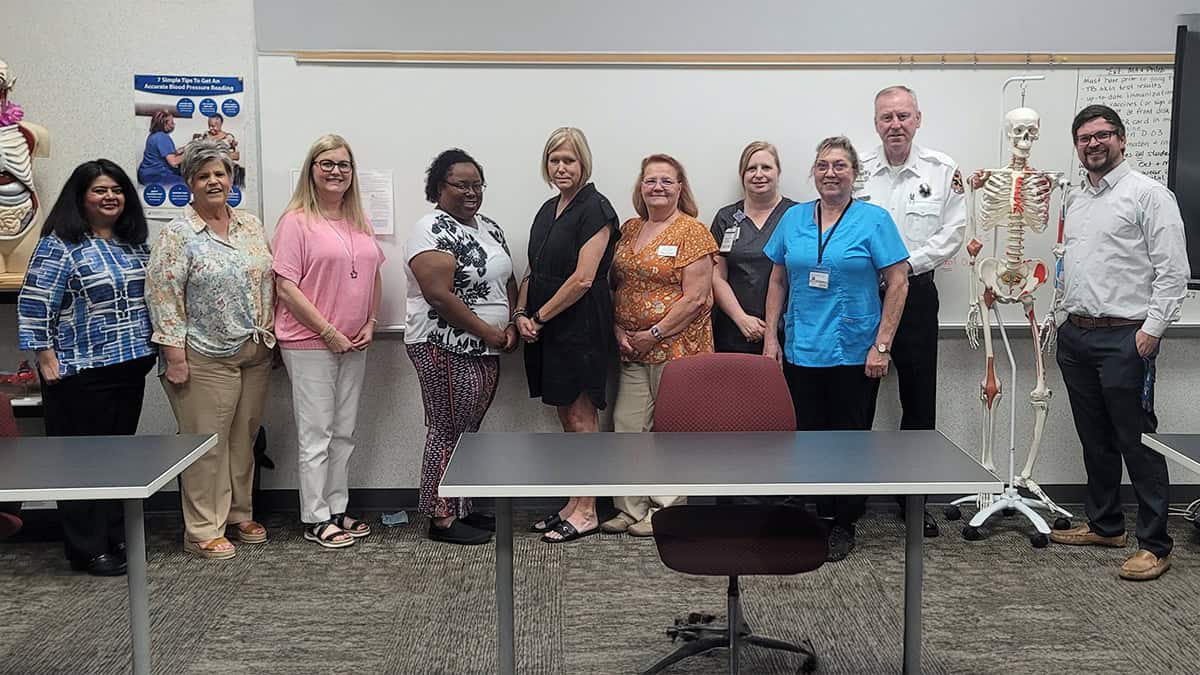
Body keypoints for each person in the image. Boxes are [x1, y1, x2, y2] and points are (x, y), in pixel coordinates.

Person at [1048, 105, 1188, 581]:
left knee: (1138, 441)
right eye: (1084, 137)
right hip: (1078, 335)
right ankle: (1106, 524)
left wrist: (1150, 333)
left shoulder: (1148, 196)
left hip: (1127, 338)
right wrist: (1062, 317)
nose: (1093, 144)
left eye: (1103, 135)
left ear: (1121, 140)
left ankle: (1155, 543)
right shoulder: (1078, 199)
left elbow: (1174, 273)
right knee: (1095, 440)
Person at [762, 136, 909, 562]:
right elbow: (777, 280)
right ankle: (812, 513)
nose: (831, 173)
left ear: (854, 173)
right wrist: (772, 338)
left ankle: (844, 520)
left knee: (849, 439)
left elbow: (898, 282)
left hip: (853, 350)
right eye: (823, 165)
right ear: (813, 172)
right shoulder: (792, 218)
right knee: (804, 437)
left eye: (840, 166)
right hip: (802, 349)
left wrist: (882, 344)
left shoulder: (874, 220)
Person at [16, 159, 155, 575]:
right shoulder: (60, 243)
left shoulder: (133, 243)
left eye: (117, 190)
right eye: (100, 190)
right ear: (80, 197)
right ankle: (85, 546)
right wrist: (44, 357)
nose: (110, 197)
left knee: (116, 459)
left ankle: (112, 535)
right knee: (81, 461)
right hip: (78, 371)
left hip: (128, 366)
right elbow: (34, 302)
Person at [147, 139, 275, 560]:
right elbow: (164, 295)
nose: (214, 181)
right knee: (207, 443)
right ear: (189, 182)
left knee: (243, 439)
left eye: (220, 173)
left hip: (253, 350)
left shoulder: (250, 226)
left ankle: (239, 513)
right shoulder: (177, 233)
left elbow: (266, 282)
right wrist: (174, 356)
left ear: (231, 178)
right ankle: (202, 528)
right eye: (204, 175)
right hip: (202, 354)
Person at [857, 85, 966, 538]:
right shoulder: (857, 170)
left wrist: (900, 266)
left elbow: (953, 233)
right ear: (876, 122)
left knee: (919, 404)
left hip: (917, 295)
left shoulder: (943, 170)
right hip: (862, 298)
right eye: (887, 117)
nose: (895, 125)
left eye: (903, 116)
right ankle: (849, 500)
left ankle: (914, 500)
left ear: (918, 119)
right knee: (855, 402)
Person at [274, 134, 383, 549]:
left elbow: (373, 274)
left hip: (356, 342)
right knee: (316, 433)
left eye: (343, 164)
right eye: (327, 164)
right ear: (312, 170)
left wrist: (371, 322)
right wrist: (328, 331)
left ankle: (338, 507)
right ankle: (316, 516)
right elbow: (286, 288)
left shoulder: (359, 221)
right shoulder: (296, 221)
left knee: (344, 433)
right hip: (310, 342)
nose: (336, 171)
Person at [600, 153, 717, 538]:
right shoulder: (630, 229)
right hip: (632, 350)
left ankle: (665, 509)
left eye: (667, 181)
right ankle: (630, 509)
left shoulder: (693, 232)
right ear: (641, 187)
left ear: (680, 187)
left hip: (679, 351)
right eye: (651, 180)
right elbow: (618, 285)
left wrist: (654, 334)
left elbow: (697, 297)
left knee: (671, 433)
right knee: (628, 427)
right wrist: (620, 329)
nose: (658, 187)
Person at [405, 148, 518, 545]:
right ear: (439, 188)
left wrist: (513, 323)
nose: (471, 192)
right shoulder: (430, 228)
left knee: (468, 429)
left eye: (477, 185)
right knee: (446, 428)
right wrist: (489, 332)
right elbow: (439, 295)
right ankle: (441, 518)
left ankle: (461, 506)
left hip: (487, 346)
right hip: (442, 343)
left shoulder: (488, 226)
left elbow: (507, 282)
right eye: (461, 185)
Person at [515, 128, 619, 543]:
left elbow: (582, 279)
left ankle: (589, 508)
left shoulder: (597, 209)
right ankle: (573, 502)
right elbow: (533, 270)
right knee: (564, 414)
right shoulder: (547, 209)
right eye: (555, 160)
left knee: (582, 417)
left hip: (578, 325)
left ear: (584, 164)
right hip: (545, 324)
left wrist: (537, 316)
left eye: (569, 160)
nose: (561, 167)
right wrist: (521, 312)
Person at [710, 141, 796, 354]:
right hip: (733, 330)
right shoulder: (725, 218)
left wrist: (772, 331)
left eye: (766, 167)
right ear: (742, 175)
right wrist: (741, 319)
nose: (759, 174)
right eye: (751, 168)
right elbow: (716, 276)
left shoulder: (797, 216)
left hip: (786, 330)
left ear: (778, 172)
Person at [136, 109, 183, 185]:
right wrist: (190, 152)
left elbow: (166, 153)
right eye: (172, 122)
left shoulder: (153, 135)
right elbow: (173, 162)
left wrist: (185, 148)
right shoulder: (162, 137)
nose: (174, 125)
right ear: (164, 124)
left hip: (145, 173)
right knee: (188, 184)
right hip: (154, 175)